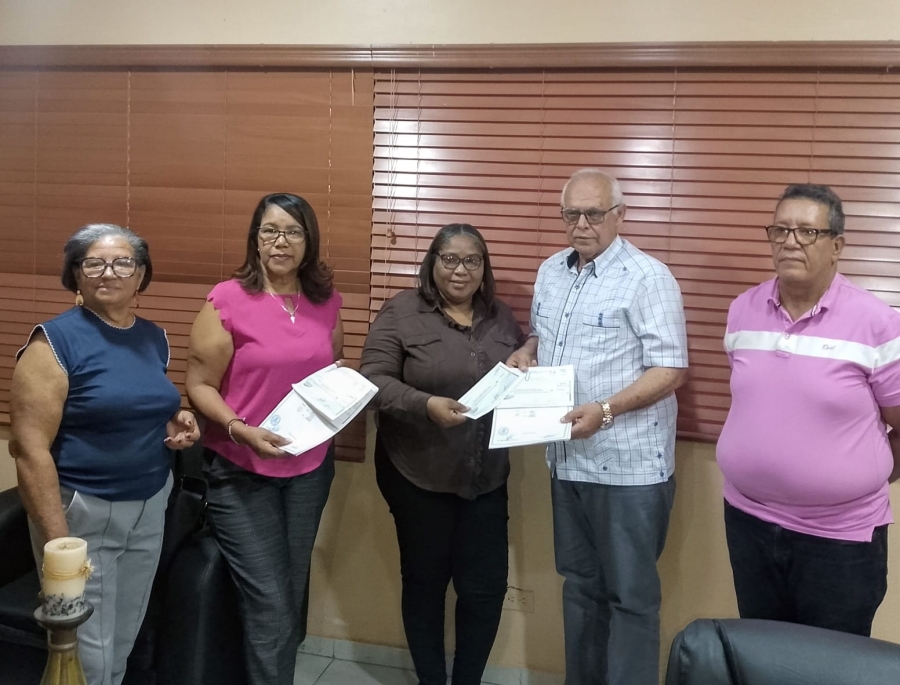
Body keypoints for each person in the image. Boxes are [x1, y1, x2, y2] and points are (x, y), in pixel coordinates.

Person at [507, 169, 688, 685]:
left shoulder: (648, 277)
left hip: (629, 468)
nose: (581, 224)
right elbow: (542, 335)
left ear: (619, 215)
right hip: (568, 461)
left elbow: (670, 369)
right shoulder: (551, 271)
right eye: (571, 214)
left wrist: (605, 410)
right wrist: (526, 351)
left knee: (630, 598)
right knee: (580, 587)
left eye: (593, 214)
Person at [9, 223, 199, 685]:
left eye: (122, 263)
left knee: (122, 642)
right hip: (83, 512)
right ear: (75, 275)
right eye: (93, 263)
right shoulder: (52, 343)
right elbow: (29, 449)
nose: (108, 272)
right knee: (83, 655)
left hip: (149, 505)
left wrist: (175, 419)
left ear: (141, 275)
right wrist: (59, 543)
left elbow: (135, 401)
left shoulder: (153, 337)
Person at [717, 183, 900, 636]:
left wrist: (854, 478)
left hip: (840, 540)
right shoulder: (742, 311)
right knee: (763, 652)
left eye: (807, 232)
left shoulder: (877, 323)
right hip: (748, 523)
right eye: (780, 230)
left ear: (837, 246)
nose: (790, 241)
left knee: (830, 661)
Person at [359, 223, 527, 685]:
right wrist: (425, 405)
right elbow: (372, 379)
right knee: (425, 585)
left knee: (484, 591)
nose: (460, 270)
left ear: (484, 267)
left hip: (485, 478)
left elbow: (521, 363)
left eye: (472, 260)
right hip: (418, 475)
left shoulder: (500, 317)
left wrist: (529, 351)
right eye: (449, 259)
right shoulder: (402, 312)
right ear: (432, 262)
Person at [185, 192, 342, 685]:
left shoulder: (325, 301)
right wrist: (240, 429)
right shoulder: (227, 299)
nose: (281, 241)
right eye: (270, 230)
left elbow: (330, 371)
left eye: (294, 232)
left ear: (309, 242)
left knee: (290, 595)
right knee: (271, 602)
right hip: (240, 472)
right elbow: (199, 384)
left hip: (309, 470)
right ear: (255, 239)